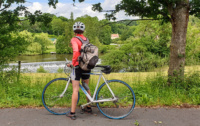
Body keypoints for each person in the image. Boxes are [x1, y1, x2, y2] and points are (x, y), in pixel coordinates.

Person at [66, 22, 92, 120]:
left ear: (74, 31)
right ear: (83, 31)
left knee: (75, 89)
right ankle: (88, 108)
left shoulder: (74, 39)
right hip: (86, 66)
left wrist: (72, 63)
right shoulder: (86, 39)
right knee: (86, 87)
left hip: (77, 67)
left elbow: (76, 52)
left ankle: (72, 113)